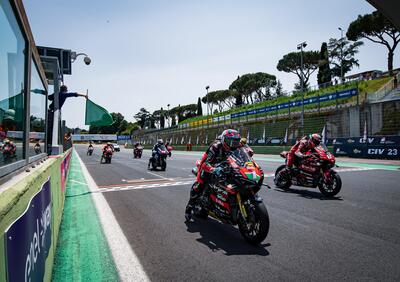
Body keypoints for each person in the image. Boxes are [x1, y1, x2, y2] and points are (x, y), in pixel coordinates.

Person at [185, 129, 241, 221]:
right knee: (200, 185)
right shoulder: (215, 146)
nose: (233, 145)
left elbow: (244, 152)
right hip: (208, 165)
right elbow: (205, 163)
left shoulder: (237, 146)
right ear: (224, 140)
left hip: (225, 165)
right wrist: (213, 169)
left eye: (235, 142)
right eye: (230, 142)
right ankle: (189, 208)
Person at [47, 85, 87, 154]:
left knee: (50, 129)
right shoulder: (64, 94)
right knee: (53, 129)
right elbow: (74, 94)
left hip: (50, 112)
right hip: (53, 112)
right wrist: (84, 95)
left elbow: (49, 97)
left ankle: (49, 145)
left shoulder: (56, 94)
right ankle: (50, 146)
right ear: (65, 90)